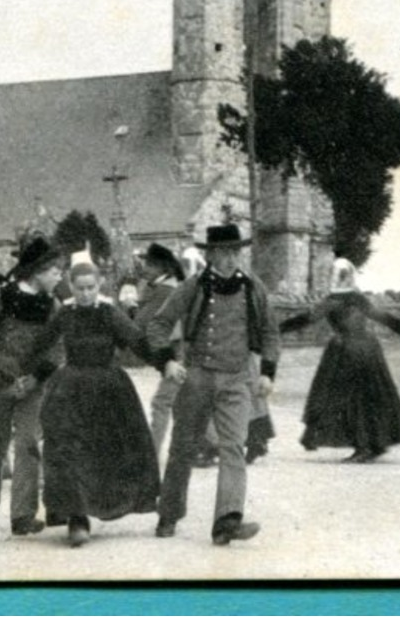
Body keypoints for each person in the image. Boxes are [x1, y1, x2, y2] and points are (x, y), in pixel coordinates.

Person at [146, 223, 279, 545]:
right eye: (225, 252)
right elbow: (159, 323)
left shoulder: (252, 288)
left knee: (234, 447)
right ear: (212, 254)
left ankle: (227, 521)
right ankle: (169, 512)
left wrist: (267, 372)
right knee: (183, 447)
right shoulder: (193, 286)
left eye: (236, 251)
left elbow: (270, 332)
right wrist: (167, 360)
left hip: (237, 379)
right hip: (197, 377)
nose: (232, 258)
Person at [38, 262, 161, 547]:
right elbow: (42, 343)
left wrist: (163, 361)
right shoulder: (64, 314)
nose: (85, 294)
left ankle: (102, 506)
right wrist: (27, 372)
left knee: (104, 452)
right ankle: (76, 517)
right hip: (70, 389)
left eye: (90, 288)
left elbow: (136, 341)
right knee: (69, 451)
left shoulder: (110, 313)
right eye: (79, 288)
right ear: (70, 286)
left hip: (108, 390)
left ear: (100, 285)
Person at [0, 235, 65, 536]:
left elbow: (57, 348)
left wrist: (34, 379)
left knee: (28, 444)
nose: (59, 275)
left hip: (31, 387)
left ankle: (22, 515)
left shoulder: (53, 306)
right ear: (37, 271)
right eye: (54, 270)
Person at [279, 257, 400, 463]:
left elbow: (306, 319)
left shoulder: (332, 301)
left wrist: (275, 329)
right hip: (369, 350)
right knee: (372, 397)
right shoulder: (359, 299)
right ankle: (375, 444)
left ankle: (363, 446)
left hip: (345, 352)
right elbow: (385, 318)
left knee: (348, 399)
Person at [135, 242, 187, 464]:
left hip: (176, 354)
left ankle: (150, 455)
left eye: (150, 264)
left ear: (163, 268)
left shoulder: (165, 290)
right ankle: (212, 445)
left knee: (162, 403)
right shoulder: (164, 287)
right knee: (182, 401)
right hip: (177, 352)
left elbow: (145, 321)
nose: (144, 267)